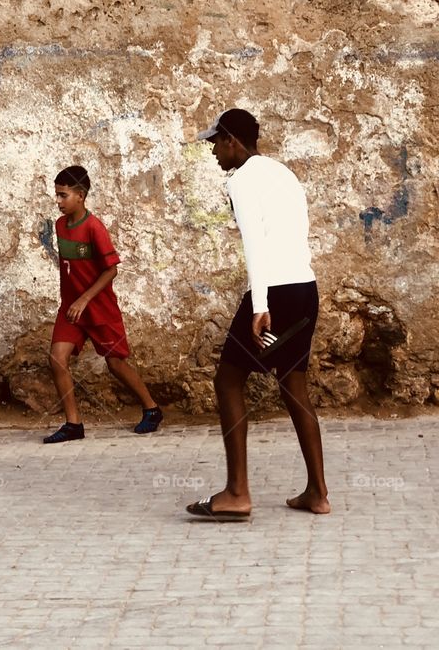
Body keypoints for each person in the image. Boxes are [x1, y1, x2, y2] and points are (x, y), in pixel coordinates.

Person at [186, 108, 330, 520]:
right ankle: (317, 493)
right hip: (305, 289)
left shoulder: (243, 179)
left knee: (227, 380)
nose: (213, 152)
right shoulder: (282, 173)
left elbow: (255, 245)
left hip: (275, 296)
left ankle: (236, 493)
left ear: (232, 140)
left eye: (216, 143)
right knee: (293, 385)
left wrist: (261, 305)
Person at [44, 165, 163, 444]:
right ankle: (73, 424)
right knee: (56, 359)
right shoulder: (61, 226)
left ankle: (152, 408)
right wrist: (73, 301)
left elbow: (111, 270)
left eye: (63, 195)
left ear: (81, 195)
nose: (58, 201)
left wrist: (86, 299)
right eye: (57, 195)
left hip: (99, 307)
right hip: (72, 309)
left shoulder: (94, 228)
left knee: (116, 364)